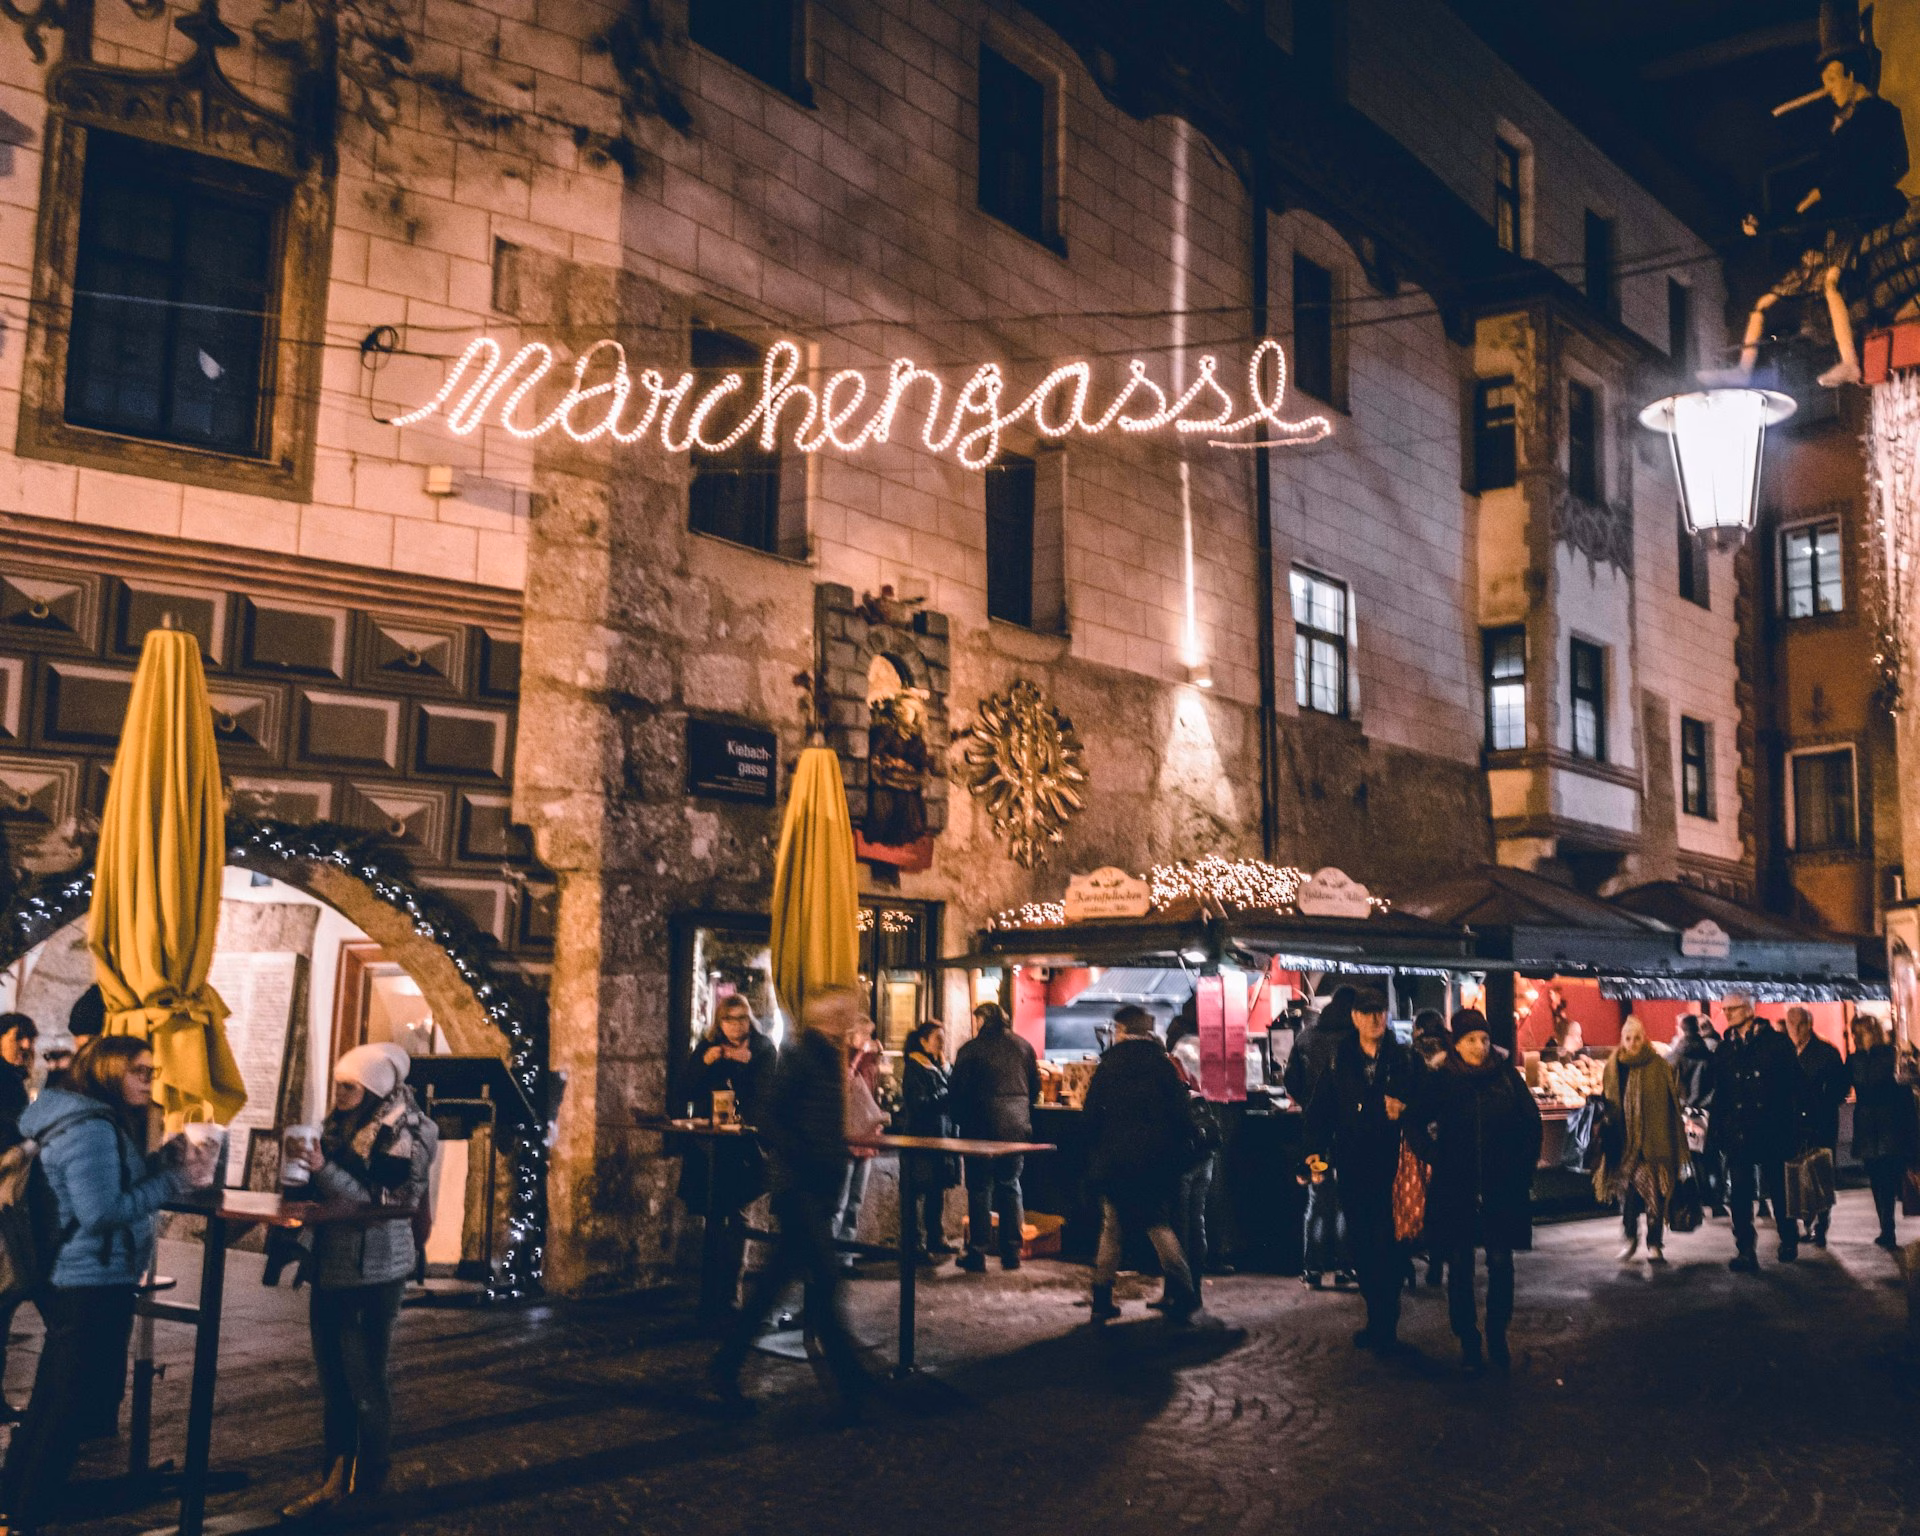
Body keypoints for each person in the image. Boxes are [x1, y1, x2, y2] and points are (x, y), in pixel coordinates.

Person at [0, 1038, 211, 1534]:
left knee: (54, 1397)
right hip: (90, 1277)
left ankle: (15, 1500)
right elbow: (100, 1213)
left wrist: (161, 1163)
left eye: (151, 1069)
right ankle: (28, 1513)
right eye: (139, 1070)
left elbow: (103, 1191)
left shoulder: (67, 1116)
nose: (149, 1078)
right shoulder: (92, 1129)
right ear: (110, 1072)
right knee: (66, 1405)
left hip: (76, 1274)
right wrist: (173, 1182)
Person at [281, 1043, 437, 1520]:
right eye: (338, 1085)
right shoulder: (338, 1125)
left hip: (374, 1271)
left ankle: (366, 1484)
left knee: (365, 1382)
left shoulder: (408, 1132)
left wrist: (322, 1169)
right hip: (332, 1263)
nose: (340, 1093)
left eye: (349, 1086)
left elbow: (382, 1200)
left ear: (373, 1088)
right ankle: (333, 1480)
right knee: (333, 1383)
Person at [1722, 24, 1912, 389]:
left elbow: (1843, 180)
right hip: (1840, 217)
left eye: (1833, 78)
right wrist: (1774, 219)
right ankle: (1743, 369)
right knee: (1768, 299)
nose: (1829, 88)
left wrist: (1790, 213)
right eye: (1824, 80)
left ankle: (1850, 363)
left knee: (1830, 283)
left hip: (1859, 216)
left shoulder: (1872, 118)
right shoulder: (1844, 129)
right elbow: (1823, 186)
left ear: (1852, 75)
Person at [710, 986, 871, 1416]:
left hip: (812, 1187)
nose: (851, 1020)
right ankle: (853, 1386)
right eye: (846, 1014)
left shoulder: (823, 1056)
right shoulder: (803, 1056)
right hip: (801, 1188)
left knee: (774, 1288)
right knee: (826, 1280)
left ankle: (725, 1366)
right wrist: (802, 1153)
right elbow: (766, 1112)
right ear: (829, 1018)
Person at [1409, 1010, 1542, 1376]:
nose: (1480, 1046)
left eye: (1484, 1039)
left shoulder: (1506, 1077)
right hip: (1457, 1187)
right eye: (1471, 1040)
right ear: (1457, 1043)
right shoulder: (1443, 1078)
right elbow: (1415, 1123)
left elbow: (1531, 1123)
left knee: (1501, 1262)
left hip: (1502, 1186)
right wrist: (1438, 1157)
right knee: (1461, 1267)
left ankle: (1497, 1335)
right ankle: (1468, 1340)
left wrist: (1523, 1167)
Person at [1304, 987, 1416, 1356]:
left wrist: (1407, 1107)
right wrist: (1313, 1154)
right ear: (1354, 1018)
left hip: (1395, 1168)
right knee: (1364, 1247)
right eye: (1367, 1013)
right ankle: (1377, 1317)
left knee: (1392, 1247)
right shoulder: (1339, 1060)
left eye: (1379, 1012)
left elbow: (1429, 1105)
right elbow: (1321, 1112)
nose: (1374, 1019)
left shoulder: (1403, 1059)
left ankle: (1387, 1323)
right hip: (1354, 1166)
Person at [1083, 1005, 1201, 1326]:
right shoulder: (1161, 1066)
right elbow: (1181, 1115)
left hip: (1114, 1163)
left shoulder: (1108, 1067)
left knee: (1112, 1229)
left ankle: (1101, 1299)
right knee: (1158, 1225)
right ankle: (1186, 1292)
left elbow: (1090, 1116)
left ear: (1121, 1030)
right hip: (1154, 1163)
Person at [676, 995, 777, 1317]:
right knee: (712, 1215)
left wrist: (746, 1066)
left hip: (744, 1148)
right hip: (710, 1145)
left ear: (750, 1020)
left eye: (742, 1018)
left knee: (738, 1215)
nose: (736, 1026)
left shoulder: (761, 1050)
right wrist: (703, 1064)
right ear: (719, 1022)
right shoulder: (709, 1049)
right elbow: (686, 1091)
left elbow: (765, 1098)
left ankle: (731, 1291)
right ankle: (710, 1294)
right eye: (729, 1019)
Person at [1708, 992, 1802, 1273]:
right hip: (1738, 1132)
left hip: (1772, 1127)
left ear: (1749, 1010)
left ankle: (1788, 1236)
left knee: (1779, 1189)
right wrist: (1718, 1131)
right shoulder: (1725, 1050)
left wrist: (1798, 1125)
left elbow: (1794, 1085)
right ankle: (1745, 1249)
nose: (1728, 1014)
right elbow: (1720, 1094)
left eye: (1734, 1008)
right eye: (1724, 1009)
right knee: (1740, 1194)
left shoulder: (1776, 1044)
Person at [948, 1001, 1039, 1273]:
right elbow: (1034, 1088)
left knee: (979, 1189)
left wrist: (959, 1121)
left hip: (980, 1128)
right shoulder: (1023, 1046)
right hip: (1015, 1129)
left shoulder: (971, 1050)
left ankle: (978, 1251)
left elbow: (957, 1091)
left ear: (983, 1020)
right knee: (1010, 1185)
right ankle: (1012, 1251)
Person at [1284, 985, 1357, 1290]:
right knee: (1344, 1203)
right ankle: (1345, 1268)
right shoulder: (1355, 1042)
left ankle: (1312, 1269)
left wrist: (1308, 1105)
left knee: (1317, 1200)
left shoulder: (1306, 1037)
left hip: (1315, 1134)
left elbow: (1291, 1081)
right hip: (1350, 1133)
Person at [1596, 1017, 1685, 1264]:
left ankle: (1654, 1243)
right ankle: (1631, 1238)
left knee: (1654, 1196)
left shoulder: (1658, 1065)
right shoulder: (1614, 1066)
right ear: (1622, 1040)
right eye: (1628, 1038)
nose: (1633, 1043)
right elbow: (1609, 1099)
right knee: (1629, 1196)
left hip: (1654, 1143)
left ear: (1644, 1038)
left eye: (1637, 1038)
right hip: (1624, 1144)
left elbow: (1669, 1105)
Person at [1848, 1015, 1918, 1250]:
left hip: (1887, 1125)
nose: (1857, 1037)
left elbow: (1903, 1093)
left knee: (1887, 1178)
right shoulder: (1857, 1059)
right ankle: (1886, 1226)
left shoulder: (1889, 1056)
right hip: (1871, 1126)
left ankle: (1887, 1228)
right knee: (1877, 1179)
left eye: (1860, 1032)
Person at [1783, 1006, 1848, 1247]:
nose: (1795, 1029)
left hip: (1821, 1123)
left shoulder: (1826, 1052)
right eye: (1791, 1024)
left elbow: (1840, 1088)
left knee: (1820, 1173)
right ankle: (1806, 1222)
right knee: (1798, 1174)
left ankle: (1821, 1224)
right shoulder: (1787, 1053)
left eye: (1799, 1024)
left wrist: (1822, 1100)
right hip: (1795, 1125)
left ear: (1809, 1025)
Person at [1165, 999, 1218, 1282]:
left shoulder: (1174, 1058)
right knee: (1196, 1216)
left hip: (1183, 1149)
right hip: (1205, 1142)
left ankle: (1179, 1287)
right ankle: (1195, 1281)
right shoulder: (1209, 1043)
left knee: (1179, 1220)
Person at [0, 1014, 36, 1423]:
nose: (27, 1044)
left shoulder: (13, 1080)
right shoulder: (7, 1082)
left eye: (30, 1037)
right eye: (18, 1037)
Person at [898, 1021, 959, 1261]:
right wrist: (946, 1094)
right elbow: (918, 1103)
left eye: (943, 1038)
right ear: (923, 1041)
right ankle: (915, 1244)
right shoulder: (915, 1067)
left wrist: (946, 1071)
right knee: (917, 1192)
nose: (942, 1043)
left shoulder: (939, 1065)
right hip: (921, 1137)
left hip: (941, 1135)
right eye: (937, 1038)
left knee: (937, 1190)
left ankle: (936, 1237)